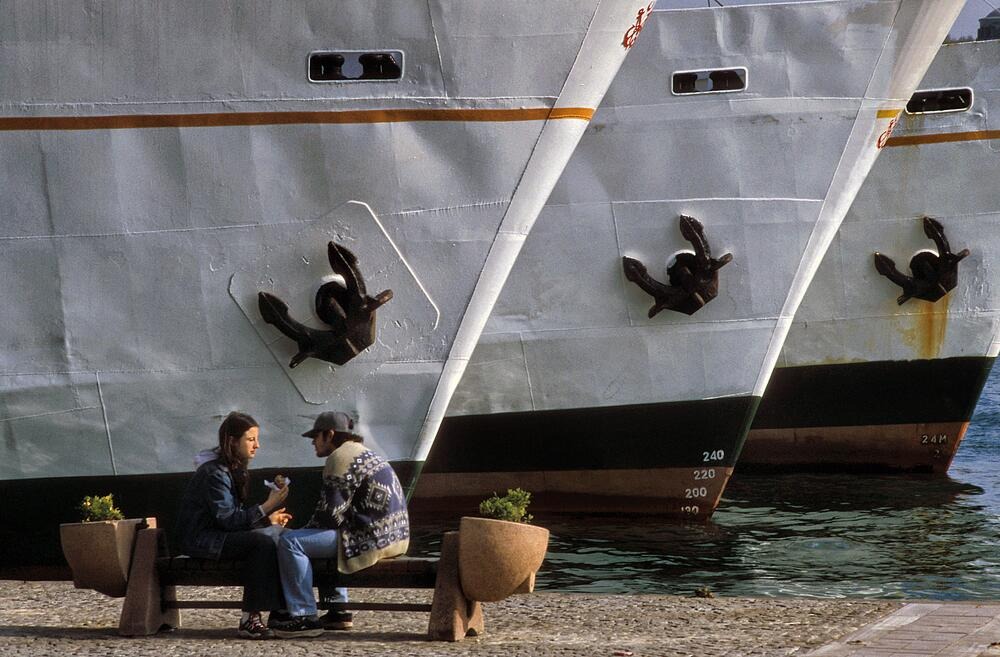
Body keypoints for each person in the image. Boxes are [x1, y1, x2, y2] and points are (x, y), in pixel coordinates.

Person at [270, 411, 410, 638]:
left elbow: (330, 514)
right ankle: (338, 610)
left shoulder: (340, 458)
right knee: (318, 537)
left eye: (316, 436)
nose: (313, 443)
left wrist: (295, 532)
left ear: (330, 434)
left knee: (291, 543)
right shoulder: (366, 454)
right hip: (396, 536)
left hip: (371, 539)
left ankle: (304, 617)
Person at [176, 411, 292, 639]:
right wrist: (266, 507)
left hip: (216, 535)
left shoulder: (231, 469)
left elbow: (233, 518)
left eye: (257, 439)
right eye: (250, 439)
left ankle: (280, 612)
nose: (257, 445)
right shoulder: (214, 473)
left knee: (281, 537)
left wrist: (268, 520)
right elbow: (228, 520)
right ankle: (250, 618)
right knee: (262, 542)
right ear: (232, 441)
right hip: (202, 540)